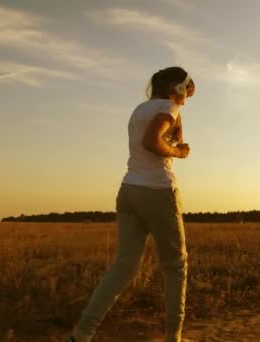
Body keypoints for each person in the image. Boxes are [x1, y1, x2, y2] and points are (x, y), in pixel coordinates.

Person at [66, 66, 195, 342]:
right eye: (187, 95)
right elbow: (152, 141)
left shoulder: (139, 110)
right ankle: (174, 337)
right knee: (176, 265)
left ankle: (82, 334)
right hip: (158, 190)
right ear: (179, 89)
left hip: (128, 190)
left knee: (124, 265)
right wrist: (178, 152)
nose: (186, 102)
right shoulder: (170, 108)